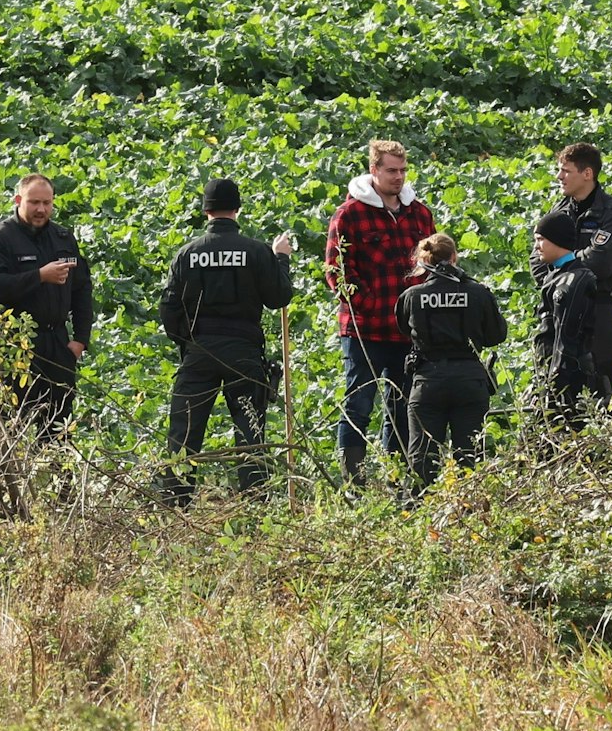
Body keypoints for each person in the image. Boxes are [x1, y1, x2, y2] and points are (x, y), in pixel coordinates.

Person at [155, 178, 296, 506]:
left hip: (200, 351)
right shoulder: (256, 251)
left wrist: (188, 344)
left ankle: (175, 504)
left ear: (205, 211)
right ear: (237, 209)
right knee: (250, 432)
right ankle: (254, 506)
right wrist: (281, 259)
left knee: (184, 433)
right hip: (244, 351)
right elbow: (279, 297)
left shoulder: (188, 254)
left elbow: (169, 308)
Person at [324, 139, 435, 485]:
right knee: (358, 406)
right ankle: (353, 485)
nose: (398, 177)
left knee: (402, 408)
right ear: (374, 170)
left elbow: (434, 267)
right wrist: (370, 306)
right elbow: (337, 272)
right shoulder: (349, 215)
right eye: (391, 170)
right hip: (365, 331)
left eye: (403, 170)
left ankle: (397, 481)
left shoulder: (420, 214)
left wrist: (418, 311)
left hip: (409, 332)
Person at [0, 173, 93, 440]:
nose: (41, 209)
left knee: (58, 427)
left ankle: (57, 468)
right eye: (34, 202)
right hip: (15, 346)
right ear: (18, 200)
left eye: (47, 203)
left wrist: (80, 340)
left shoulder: (63, 238)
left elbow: (82, 290)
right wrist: (39, 276)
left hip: (58, 345)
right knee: (11, 426)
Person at [396, 233, 507, 493]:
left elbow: (404, 329)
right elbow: (496, 335)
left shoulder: (412, 296)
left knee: (422, 459)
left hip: (427, 382)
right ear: (454, 257)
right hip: (470, 381)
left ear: (423, 262)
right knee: (470, 457)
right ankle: (469, 508)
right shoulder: (478, 293)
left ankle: (418, 509)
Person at [530, 143, 612, 403]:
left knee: (608, 394)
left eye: (566, 171)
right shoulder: (558, 211)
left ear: (587, 174)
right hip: (559, 311)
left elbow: (602, 262)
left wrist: (564, 266)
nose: (559, 177)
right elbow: (537, 262)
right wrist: (566, 277)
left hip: (598, 312)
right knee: (556, 390)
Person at [531, 212, 598, 428]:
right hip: (552, 373)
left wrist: (555, 382)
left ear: (557, 240)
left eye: (541, 239)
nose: (536, 246)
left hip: (569, 379)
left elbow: (566, 337)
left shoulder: (573, 280)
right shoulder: (556, 276)